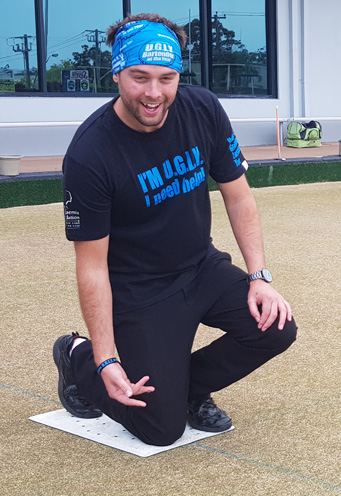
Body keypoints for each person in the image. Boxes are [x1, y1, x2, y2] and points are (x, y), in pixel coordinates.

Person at [54, 13, 297, 447]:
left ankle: (187, 387)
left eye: (167, 78)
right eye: (139, 77)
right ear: (116, 73)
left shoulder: (201, 108)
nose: (154, 93)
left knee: (276, 326)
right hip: (139, 291)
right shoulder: (91, 154)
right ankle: (76, 355)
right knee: (160, 430)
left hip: (200, 268)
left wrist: (259, 277)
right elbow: (91, 266)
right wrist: (106, 358)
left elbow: (238, 195)